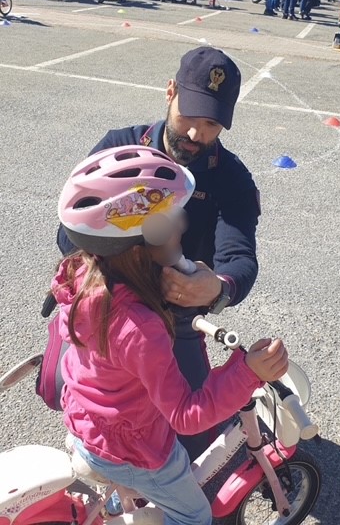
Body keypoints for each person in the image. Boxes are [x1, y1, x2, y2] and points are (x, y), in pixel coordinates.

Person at [54, 144, 288, 525]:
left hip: (87, 420)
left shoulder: (81, 274)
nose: (182, 226)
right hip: (132, 450)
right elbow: (186, 415)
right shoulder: (140, 328)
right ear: (135, 247)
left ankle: (122, 501)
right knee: (195, 516)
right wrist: (248, 372)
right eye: (169, 222)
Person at [55, 46, 261, 462]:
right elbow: (69, 232)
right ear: (170, 91)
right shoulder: (121, 147)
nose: (196, 135)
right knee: (69, 392)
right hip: (111, 307)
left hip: (176, 317)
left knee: (194, 440)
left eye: (212, 124)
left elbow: (240, 255)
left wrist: (216, 288)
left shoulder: (232, 178)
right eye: (190, 116)